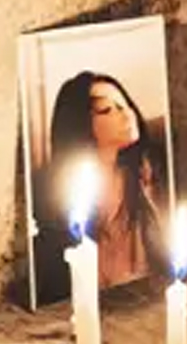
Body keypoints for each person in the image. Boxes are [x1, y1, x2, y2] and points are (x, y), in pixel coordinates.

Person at [42, 71, 166, 287]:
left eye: (125, 105)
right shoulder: (66, 194)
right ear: (80, 125)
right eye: (107, 110)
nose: (127, 114)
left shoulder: (144, 173)